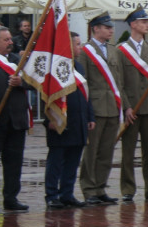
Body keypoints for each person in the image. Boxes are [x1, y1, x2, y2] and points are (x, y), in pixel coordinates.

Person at [116, 7, 148, 202]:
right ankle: (128, 189)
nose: (147, 25)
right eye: (143, 22)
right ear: (133, 24)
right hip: (132, 108)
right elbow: (118, 82)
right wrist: (126, 107)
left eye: (147, 22)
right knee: (128, 151)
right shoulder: (120, 50)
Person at [77, 13, 123, 205]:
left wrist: (123, 106)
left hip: (112, 106)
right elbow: (83, 82)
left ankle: (101, 187)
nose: (111, 30)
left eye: (111, 27)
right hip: (95, 106)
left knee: (106, 151)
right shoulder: (86, 51)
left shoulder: (113, 50)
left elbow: (119, 80)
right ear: (95, 28)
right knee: (92, 151)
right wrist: (86, 111)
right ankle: (89, 190)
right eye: (107, 27)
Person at [45, 33, 93, 209]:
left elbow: (86, 94)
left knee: (73, 161)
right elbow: (48, 95)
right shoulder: (54, 67)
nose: (80, 47)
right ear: (68, 46)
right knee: (56, 161)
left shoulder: (79, 67)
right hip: (60, 119)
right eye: (78, 44)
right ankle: (51, 195)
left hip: (78, 120)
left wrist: (90, 116)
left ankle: (67, 194)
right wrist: (50, 116)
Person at [0, 25, 31, 211]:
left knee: (14, 161)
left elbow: (34, 82)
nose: (10, 43)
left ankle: (11, 197)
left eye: (10, 40)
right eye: (6, 40)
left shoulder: (17, 61)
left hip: (16, 120)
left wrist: (21, 82)